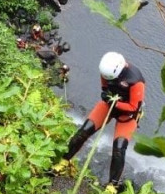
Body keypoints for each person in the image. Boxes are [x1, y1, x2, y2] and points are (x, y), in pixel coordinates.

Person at [57, 51, 144, 186]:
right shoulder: (106, 72)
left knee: (119, 149)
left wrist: (115, 102)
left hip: (127, 113)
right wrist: (108, 97)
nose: (110, 81)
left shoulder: (135, 80)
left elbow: (133, 107)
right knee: (83, 132)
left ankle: (113, 184)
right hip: (109, 105)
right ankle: (64, 160)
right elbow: (105, 87)